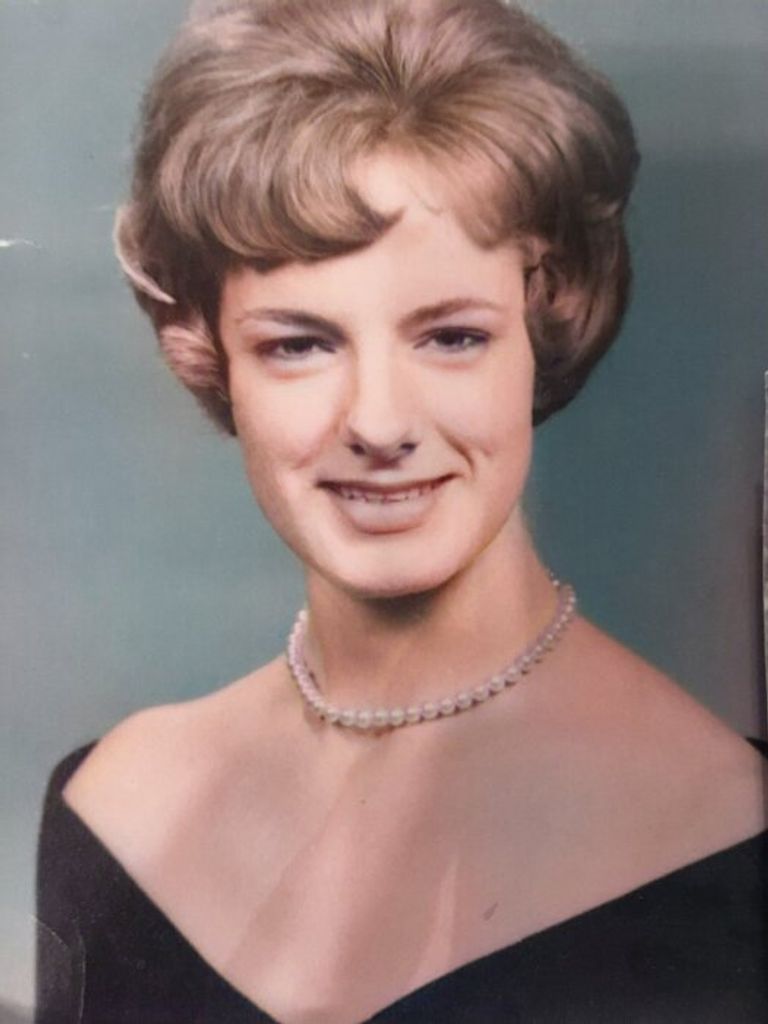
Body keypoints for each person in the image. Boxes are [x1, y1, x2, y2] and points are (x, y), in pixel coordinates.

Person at [35, 1, 767, 1022]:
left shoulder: (731, 838)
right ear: (211, 355)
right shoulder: (112, 809)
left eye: (452, 337)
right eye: (299, 344)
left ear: (544, 327)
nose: (379, 423)